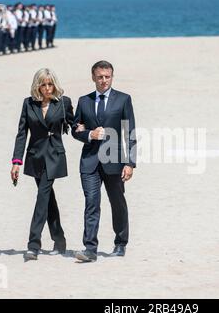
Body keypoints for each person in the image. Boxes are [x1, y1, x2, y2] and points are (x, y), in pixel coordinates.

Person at [72, 60, 137, 263]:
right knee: (92, 203)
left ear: (112, 77)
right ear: (93, 77)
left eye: (107, 77)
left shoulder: (123, 99)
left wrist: (130, 162)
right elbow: (76, 129)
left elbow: (130, 132)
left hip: (115, 160)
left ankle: (120, 243)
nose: (103, 81)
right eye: (100, 77)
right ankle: (90, 248)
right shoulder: (84, 101)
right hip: (90, 161)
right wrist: (89, 134)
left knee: (117, 203)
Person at [11, 68, 74, 261]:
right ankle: (59, 239)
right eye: (43, 84)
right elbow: (22, 133)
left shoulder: (63, 103)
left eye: (50, 84)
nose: (47, 88)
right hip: (35, 157)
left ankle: (33, 245)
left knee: (42, 196)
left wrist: (90, 131)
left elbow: (75, 124)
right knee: (48, 198)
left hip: (55, 156)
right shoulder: (28, 104)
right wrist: (16, 162)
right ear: (37, 85)